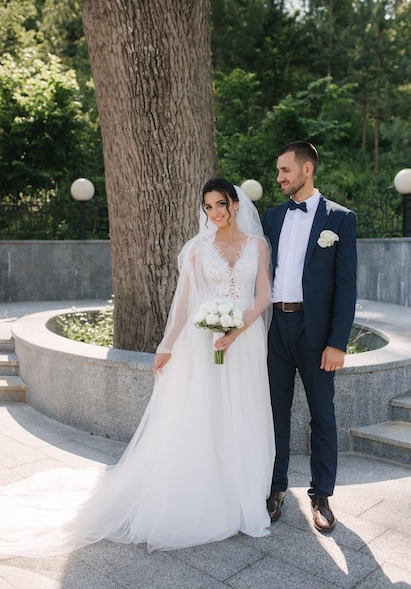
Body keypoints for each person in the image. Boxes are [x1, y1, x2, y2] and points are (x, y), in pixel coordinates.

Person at [0, 178, 275, 557]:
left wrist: (237, 329)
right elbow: (182, 305)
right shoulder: (197, 248)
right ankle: (205, 490)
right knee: (204, 411)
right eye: (209, 207)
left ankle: (242, 493)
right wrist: (166, 345)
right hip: (203, 339)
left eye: (221, 205)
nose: (215, 213)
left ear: (236, 205)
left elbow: (264, 295)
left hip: (244, 341)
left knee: (242, 412)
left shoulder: (257, 245)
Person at [263, 141, 357, 533]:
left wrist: (337, 342)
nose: (280, 178)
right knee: (274, 414)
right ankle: (275, 487)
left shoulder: (340, 218)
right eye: (279, 171)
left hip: (317, 334)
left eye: (285, 170)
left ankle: (321, 495)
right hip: (276, 328)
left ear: (306, 170)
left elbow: (346, 286)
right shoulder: (271, 217)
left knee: (323, 415)